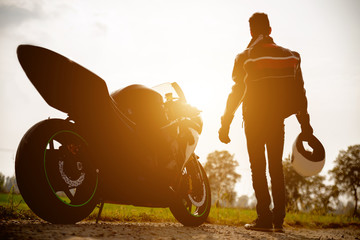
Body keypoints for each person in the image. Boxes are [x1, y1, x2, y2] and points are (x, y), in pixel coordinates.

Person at [218, 12, 313, 232]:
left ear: (251, 31)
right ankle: (278, 219)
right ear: (270, 30)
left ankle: (264, 218)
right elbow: (300, 95)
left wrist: (225, 123)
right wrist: (305, 126)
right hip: (276, 121)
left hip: (253, 120)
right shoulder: (291, 57)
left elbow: (236, 93)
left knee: (258, 168)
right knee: (275, 168)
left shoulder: (245, 57)